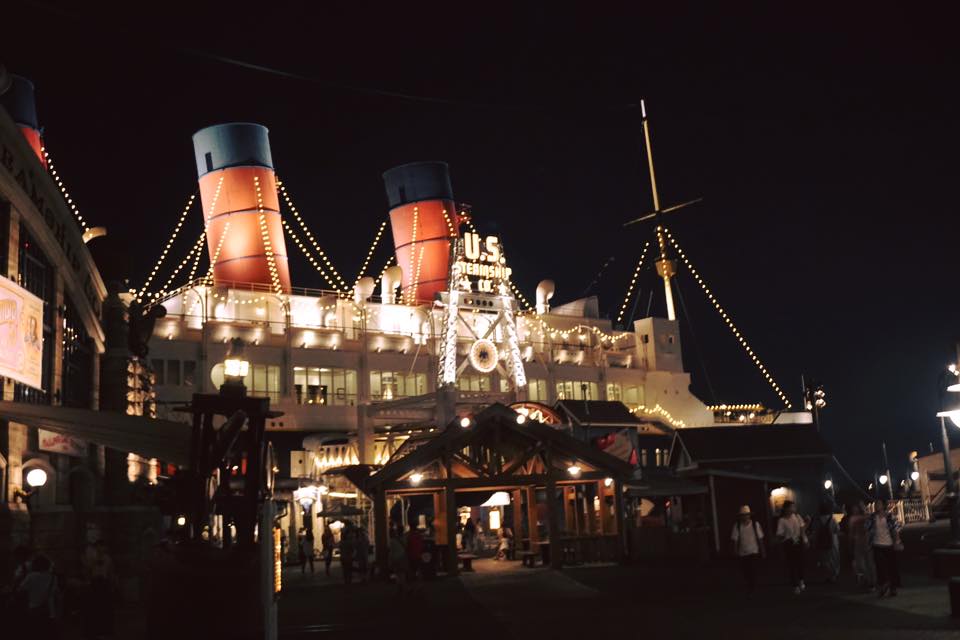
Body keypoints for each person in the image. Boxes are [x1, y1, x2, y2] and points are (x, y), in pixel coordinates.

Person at [16, 554, 60, 637]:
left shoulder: (31, 576)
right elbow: (54, 595)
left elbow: (20, 589)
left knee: (35, 633)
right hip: (49, 611)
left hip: (34, 609)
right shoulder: (54, 578)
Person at [866, 499, 901, 597]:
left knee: (891, 567)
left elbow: (895, 528)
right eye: (876, 504)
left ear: (883, 505)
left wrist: (897, 541)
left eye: (879, 504)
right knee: (880, 567)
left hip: (889, 544)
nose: (877, 506)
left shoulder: (889, 516)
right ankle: (883, 586)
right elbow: (867, 529)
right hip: (877, 544)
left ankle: (892, 587)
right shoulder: (872, 517)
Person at [82, 540, 117, 639]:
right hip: (95, 584)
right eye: (99, 547)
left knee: (105, 608)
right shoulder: (91, 558)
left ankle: (105, 630)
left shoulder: (108, 558)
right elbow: (87, 572)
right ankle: (94, 630)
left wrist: (112, 584)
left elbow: (110, 572)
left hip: (104, 584)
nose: (101, 549)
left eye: (103, 547)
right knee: (94, 608)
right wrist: (92, 563)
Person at [731, 505, 765, 592]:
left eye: (746, 515)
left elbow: (760, 538)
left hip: (754, 551)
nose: (745, 516)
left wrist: (763, 550)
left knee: (753, 570)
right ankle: (750, 584)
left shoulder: (755, 525)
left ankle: (752, 587)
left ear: (749, 515)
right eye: (743, 515)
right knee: (745, 571)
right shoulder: (737, 526)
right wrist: (735, 551)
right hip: (743, 553)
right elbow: (735, 539)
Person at [776, 500, 808, 594]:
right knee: (792, 565)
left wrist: (807, 523)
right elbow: (779, 534)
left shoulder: (797, 517)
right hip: (789, 543)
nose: (793, 509)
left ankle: (801, 580)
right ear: (786, 508)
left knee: (800, 563)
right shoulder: (782, 520)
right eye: (791, 507)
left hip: (798, 542)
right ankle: (795, 585)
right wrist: (784, 536)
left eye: (794, 507)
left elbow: (802, 530)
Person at [848, 501, 876, 589]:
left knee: (868, 562)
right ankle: (869, 581)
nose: (854, 509)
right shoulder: (862, 517)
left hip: (866, 541)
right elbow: (851, 532)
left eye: (855, 507)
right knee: (862, 563)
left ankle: (871, 582)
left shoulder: (857, 518)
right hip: (860, 541)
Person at [811, 504, 840, 583]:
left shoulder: (817, 519)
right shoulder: (832, 518)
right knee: (834, 557)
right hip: (833, 541)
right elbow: (837, 529)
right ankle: (834, 574)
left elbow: (815, 532)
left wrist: (814, 542)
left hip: (821, 541)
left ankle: (828, 575)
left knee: (825, 558)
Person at [388, 526, 409, 595]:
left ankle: (400, 589)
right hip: (403, 557)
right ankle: (403, 588)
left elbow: (391, 552)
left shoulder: (392, 541)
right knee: (402, 574)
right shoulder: (405, 538)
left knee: (398, 574)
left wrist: (390, 561)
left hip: (396, 559)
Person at [406, 526, 424, 590]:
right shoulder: (419, 536)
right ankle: (419, 586)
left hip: (411, 556)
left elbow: (407, 546)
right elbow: (421, 546)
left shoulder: (409, 536)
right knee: (419, 570)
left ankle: (412, 587)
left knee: (411, 572)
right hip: (418, 555)